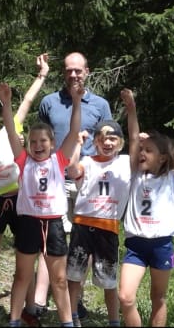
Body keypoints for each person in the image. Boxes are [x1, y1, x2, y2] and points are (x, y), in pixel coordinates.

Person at [118, 89, 174, 327]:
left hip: (161, 245)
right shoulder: (136, 174)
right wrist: (131, 106)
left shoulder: (173, 178)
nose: (142, 153)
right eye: (142, 150)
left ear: (163, 157)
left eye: (149, 151)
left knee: (158, 298)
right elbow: (134, 137)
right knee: (125, 297)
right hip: (135, 245)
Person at [0, 79, 82, 327]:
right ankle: (14, 320)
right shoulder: (23, 160)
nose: (37, 146)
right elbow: (11, 132)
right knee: (22, 275)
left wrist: (77, 101)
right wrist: (6, 104)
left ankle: (67, 322)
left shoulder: (59, 159)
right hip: (28, 223)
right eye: (33, 142)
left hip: (53, 224)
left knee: (58, 279)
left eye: (43, 141)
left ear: (52, 143)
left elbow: (74, 131)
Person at [37, 51, 112, 318]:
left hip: (87, 182)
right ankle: (41, 300)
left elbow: (108, 141)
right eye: (69, 70)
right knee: (52, 240)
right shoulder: (48, 102)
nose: (73, 75)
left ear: (87, 72)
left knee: (83, 242)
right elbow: (40, 139)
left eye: (78, 71)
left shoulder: (100, 104)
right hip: (53, 181)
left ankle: (75, 299)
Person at [0, 53, 49, 325]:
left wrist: (42, 75)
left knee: (28, 252)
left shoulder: (9, 130)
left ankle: (29, 307)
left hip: (21, 198)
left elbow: (28, 101)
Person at [65, 120, 131, 327]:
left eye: (112, 138)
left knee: (109, 280)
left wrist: (143, 139)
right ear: (95, 142)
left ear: (120, 142)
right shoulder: (87, 160)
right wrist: (78, 144)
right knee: (74, 275)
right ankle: (72, 316)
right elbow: (72, 171)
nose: (107, 142)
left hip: (108, 227)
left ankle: (114, 320)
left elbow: (143, 155)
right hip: (83, 225)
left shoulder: (126, 162)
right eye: (102, 139)